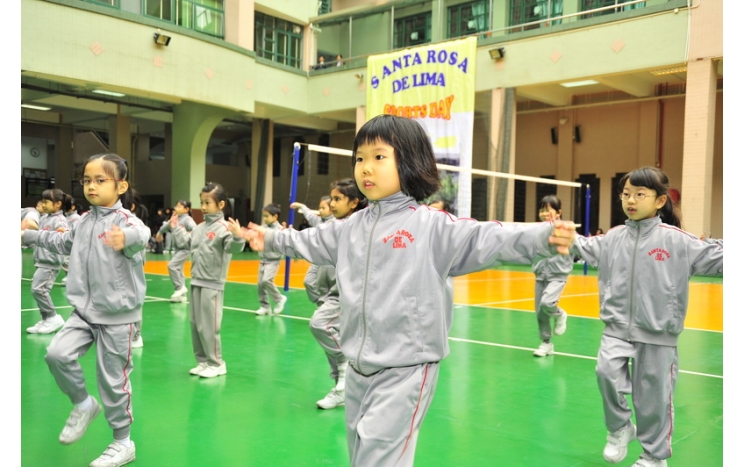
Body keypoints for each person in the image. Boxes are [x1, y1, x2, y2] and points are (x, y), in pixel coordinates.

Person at [242, 114, 576, 466]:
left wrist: (542, 237)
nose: (366, 167)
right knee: (360, 453)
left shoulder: (431, 227)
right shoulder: (350, 227)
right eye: (360, 158)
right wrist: (270, 239)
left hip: (407, 367)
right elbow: (308, 240)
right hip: (358, 366)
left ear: (411, 161)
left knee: (379, 457)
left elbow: (487, 237)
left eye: (379, 157)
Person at [570, 166, 723, 467]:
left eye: (640, 194)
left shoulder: (678, 241)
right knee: (606, 373)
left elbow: (716, 257)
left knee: (654, 397)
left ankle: (653, 457)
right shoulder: (613, 238)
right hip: (616, 328)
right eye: (626, 194)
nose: (631, 200)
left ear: (660, 201)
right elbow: (583, 247)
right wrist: (561, 235)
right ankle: (620, 428)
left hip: (658, 334)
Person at [21, 152, 150, 467]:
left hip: (117, 316)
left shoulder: (127, 222)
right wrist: (27, 235)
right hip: (84, 311)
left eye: (100, 180)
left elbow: (142, 235)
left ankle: (123, 443)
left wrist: (126, 238)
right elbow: (63, 242)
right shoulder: (83, 222)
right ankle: (83, 404)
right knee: (57, 354)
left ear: (121, 186)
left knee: (113, 381)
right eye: (86, 180)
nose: (91, 186)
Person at [293, 182, 367, 410]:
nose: (332, 204)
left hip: (349, 296)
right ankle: (341, 388)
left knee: (320, 325)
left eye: (337, 199)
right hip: (332, 293)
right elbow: (311, 236)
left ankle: (347, 373)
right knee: (333, 337)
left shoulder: (359, 227)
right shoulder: (333, 226)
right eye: (331, 199)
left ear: (353, 203)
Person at [171, 183, 245, 378]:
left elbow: (233, 248)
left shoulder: (224, 228)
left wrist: (238, 237)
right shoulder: (199, 228)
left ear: (221, 205)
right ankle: (202, 361)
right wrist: (176, 229)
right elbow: (186, 244)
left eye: (207, 203)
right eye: (201, 202)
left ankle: (217, 363)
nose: (203, 207)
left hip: (212, 284)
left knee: (209, 326)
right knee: (195, 324)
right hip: (196, 281)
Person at [531, 195, 573, 357]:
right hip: (541, 274)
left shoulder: (565, 230)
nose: (544, 213)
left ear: (558, 212)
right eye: (541, 210)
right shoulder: (536, 231)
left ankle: (559, 314)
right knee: (540, 312)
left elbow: (576, 245)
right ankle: (546, 343)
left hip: (558, 274)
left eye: (548, 210)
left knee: (547, 302)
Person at [26, 188, 70, 334]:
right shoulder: (45, 218)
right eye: (42, 201)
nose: (43, 204)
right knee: (38, 290)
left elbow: (64, 235)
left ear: (58, 204)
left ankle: (52, 317)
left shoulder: (59, 220)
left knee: (39, 289)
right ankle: (46, 319)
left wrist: (62, 232)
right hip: (42, 260)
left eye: (46, 202)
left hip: (50, 262)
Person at [291, 195, 333, 304]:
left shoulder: (336, 222)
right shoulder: (318, 221)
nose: (320, 210)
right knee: (308, 282)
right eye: (319, 207)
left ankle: (331, 306)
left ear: (332, 208)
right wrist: (301, 206)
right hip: (317, 261)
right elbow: (309, 214)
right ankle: (321, 304)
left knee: (328, 287)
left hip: (330, 262)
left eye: (323, 208)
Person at [157, 200, 196, 303]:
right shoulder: (175, 218)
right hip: (177, 249)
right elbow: (167, 226)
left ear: (186, 209)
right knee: (179, 270)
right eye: (176, 206)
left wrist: (186, 237)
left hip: (185, 249)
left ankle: (179, 288)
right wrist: (159, 233)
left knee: (172, 266)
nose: (176, 208)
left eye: (179, 206)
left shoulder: (188, 220)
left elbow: (195, 230)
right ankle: (182, 296)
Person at [255, 203, 287, 316]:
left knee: (266, 280)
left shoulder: (280, 230)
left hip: (273, 260)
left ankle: (279, 299)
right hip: (263, 259)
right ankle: (265, 307)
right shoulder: (262, 228)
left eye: (267, 216)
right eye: (263, 216)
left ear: (275, 216)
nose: (264, 218)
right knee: (260, 284)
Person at [60, 194, 81, 287]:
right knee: (65, 261)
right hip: (65, 242)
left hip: (73, 243)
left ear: (73, 207)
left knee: (70, 260)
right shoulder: (65, 217)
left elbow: (76, 231)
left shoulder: (76, 218)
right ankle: (69, 277)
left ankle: (70, 278)